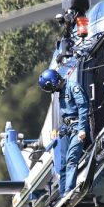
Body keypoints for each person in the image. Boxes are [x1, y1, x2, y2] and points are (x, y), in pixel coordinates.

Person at [38, 66, 89, 196]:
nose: (52, 91)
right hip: (66, 130)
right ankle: (62, 194)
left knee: (71, 159)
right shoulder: (60, 93)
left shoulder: (73, 87)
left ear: (53, 82)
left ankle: (69, 191)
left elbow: (83, 107)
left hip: (77, 127)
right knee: (62, 164)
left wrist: (82, 129)